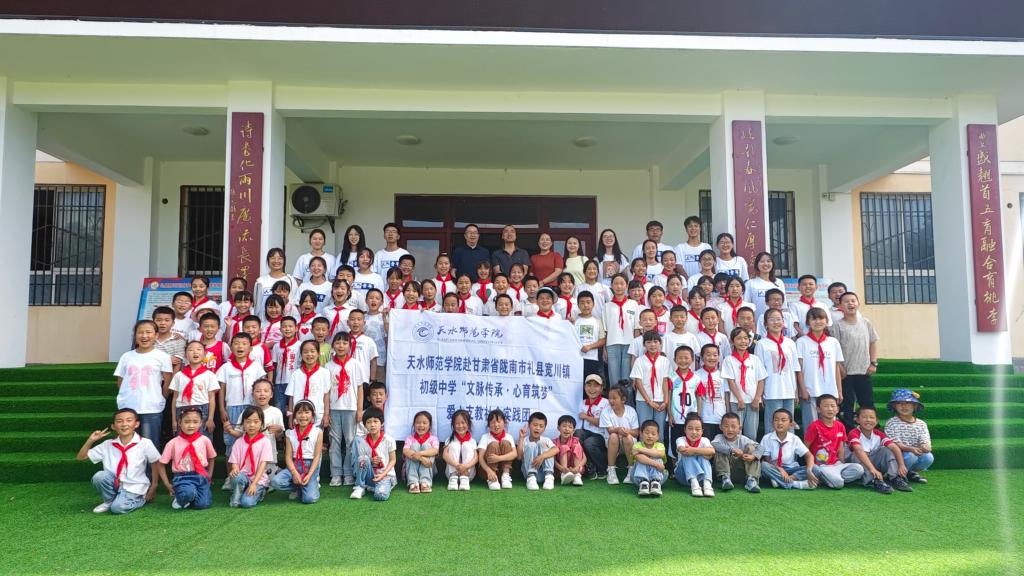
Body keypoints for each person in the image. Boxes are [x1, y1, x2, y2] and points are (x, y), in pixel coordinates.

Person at [77, 408, 162, 514]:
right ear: (113, 426)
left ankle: (141, 499)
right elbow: (81, 457)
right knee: (99, 476)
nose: (124, 424)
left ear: (136, 424)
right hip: (115, 483)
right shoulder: (107, 444)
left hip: (134, 486)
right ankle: (109, 501)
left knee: (118, 508)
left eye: (129, 420)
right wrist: (91, 440)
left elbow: (155, 463)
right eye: (119, 421)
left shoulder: (145, 443)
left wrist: (154, 486)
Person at [114, 320, 173, 448]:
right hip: (128, 406)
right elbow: (121, 381)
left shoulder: (162, 357)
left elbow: (167, 383)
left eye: (148, 332)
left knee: (150, 445)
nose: (144, 336)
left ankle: (150, 464)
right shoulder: (126, 356)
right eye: (140, 332)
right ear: (135, 335)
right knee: (129, 445)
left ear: (156, 335)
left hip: (151, 407)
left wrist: (161, 398)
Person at [830, 292, 879, 430]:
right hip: (846, 372)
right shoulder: (837, 325)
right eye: (846, 301)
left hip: (864, 370)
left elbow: (873, 342)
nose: (850, 304)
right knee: (847, 404)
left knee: (867, 402)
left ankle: (872, 431)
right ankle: (849, 432)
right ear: (840, 306)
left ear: (858, 303)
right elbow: (834, 349)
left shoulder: (866, 322)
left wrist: (873, 362)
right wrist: (840, 367)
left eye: (853, 300)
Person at [216, 333, 266, 465]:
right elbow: (222, 389)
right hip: (232, 407)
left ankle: (251, 471)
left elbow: (262, 387)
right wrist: (222, 409)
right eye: (236, 343)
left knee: (252, 439)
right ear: (231, 347)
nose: (240, 346)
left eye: (244, 344)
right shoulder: (226, 367)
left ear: (250, 348)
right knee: (231, 441)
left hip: (251, 407)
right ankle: (230, 473)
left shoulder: (256, 367)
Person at [157, 406, 216, 510]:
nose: (191, 425)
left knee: (203, 505)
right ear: (179, 422)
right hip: (182, 477)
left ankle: (190, 497)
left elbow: (212, 457)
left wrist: (209, 474)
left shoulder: (205, 440)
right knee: (188, 493)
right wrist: (167, 484)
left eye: (195, 422)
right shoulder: (172, 443)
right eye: (187, 422)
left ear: (201, 423)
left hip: (201, 475)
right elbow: (161, 464)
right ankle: (182, 497)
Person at [796, 308, 844, 432]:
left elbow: (836, 368)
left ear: (827, 321)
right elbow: (799, 369)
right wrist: (802, 389)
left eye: (821, 318)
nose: (818, 322)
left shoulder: (833, 342)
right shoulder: (801, 342)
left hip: (829, 390)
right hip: (810, 390)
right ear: (808, 322)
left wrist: (839, 390)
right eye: (814, 319)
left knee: (829, 425)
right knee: (811, 426)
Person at [327, 332, 366, 486]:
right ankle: (336, 473)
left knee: (350, 441)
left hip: (351, 408)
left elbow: (360, 388)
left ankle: (349, 472)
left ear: (350, 346)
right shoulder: (328, 366)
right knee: (334, 441)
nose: (341, 346)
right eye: (338, 343)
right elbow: (326, 392)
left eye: (344, 343)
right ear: (333, 346)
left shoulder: (355, 364)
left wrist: (360, 409)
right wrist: (327, 412)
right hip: (334, 408)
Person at [803, 394, 864, 489]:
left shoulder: (840, 426)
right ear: (818, 409)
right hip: (821, 465)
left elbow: (841, 447)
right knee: (839, 484)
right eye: (826, 406)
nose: (830, 409)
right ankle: (828, 477)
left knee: (859, 469)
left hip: (836, 464)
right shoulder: (814, 426)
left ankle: (826, 479)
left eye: (832, 406)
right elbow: (805, 448)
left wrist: (841, 464)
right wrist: (809, 465)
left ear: (837, 409)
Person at [848, 406, 913, 493]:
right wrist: (873, 469)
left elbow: (894, 447)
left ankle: (895, 478)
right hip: (860, 464)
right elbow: (858, 450)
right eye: (864, 417)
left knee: (887, 450)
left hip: (875, 463)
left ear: (876, 421)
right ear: (857, 420)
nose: (868, 420)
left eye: (872, 417)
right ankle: (874, 481)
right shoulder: (853, 433)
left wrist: (901, 465)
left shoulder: (878, 433)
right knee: (857, 454)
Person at [756, 308, 800, 434]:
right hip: (772, 391)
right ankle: (770, 447)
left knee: (788, 425)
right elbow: (760, 372)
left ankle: (789, 447)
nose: (776, 322)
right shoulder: (762, 344)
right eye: (772, 319)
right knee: (772, 425)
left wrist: (796, 390)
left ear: (783, 322)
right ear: (765, 324)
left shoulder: (790, 343)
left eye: (778, 319)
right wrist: (760, 394)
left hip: (789, 390)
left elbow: (795, 368)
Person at [271, 399, 324, 504]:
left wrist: (309, 474)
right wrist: (294, 473)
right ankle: (296, 488)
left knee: (309, 499)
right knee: (275, 482)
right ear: (295, 416)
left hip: (310, 465)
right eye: (299, 413)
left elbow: (317, 456)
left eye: (307, 412)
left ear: (312, 415)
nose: (303, 416)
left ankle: (310, 484)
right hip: (295, 464)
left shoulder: (318, 432)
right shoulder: (290, 433)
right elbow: (288, 457)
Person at [722, 327, 767, 441]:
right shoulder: (729, 360)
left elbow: (761, 380)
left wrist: (757, 399)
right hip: (736, 402)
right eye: (739, 338)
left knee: (751, 434)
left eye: (745, 338)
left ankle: (750, 452)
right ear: (732, 341)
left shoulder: (755, 359)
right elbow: (731, 381)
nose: (743, 341)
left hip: (753, 402)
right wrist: (739, 399)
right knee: (736, 433)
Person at [756, 408, 817, 490]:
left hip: (792, 470)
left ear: (790, 424)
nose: (779, 423)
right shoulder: (767, 438)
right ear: (772, 423)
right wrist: (780, 469)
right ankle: (795, 484)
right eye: (776, 420)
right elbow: (767, 460)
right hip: (775, 469)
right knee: (763, 466)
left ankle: (782, 480)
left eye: (783, 420)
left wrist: (809, 470)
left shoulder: (794, 438)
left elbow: (809, 455)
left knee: (815, 468)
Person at [227, 405, 274, 508]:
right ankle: (236, 497)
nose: (252, 425)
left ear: (261, 423)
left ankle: (260, 492)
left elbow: (262, 465)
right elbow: (235, 462)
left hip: (258, 480)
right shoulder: (239, 442)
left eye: (256, 422)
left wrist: (254, 484)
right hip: (243, 477)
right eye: (248, 422)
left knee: (247, 503)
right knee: (236, 476)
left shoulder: (265, 442)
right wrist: (235, 469)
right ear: (243, 424)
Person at [884, 389, 934, 484]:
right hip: (897, 456)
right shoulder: (891, 423)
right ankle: (895, 475)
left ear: (915, 406)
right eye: (899, 403)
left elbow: (924, 439)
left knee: (928, 457)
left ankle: (910, 473)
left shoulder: (921, 424)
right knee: (911, 456)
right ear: (894, 406)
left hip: (914, 452)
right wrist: (911, 449)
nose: (904, 406)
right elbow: (894, 443)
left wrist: (925, 446)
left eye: (908, 403)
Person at [169, 341, 219, 436]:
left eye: (199, 349)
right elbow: (174, 398)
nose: (195, 352)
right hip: (182, 409)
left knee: (202, 438)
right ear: (185, 355)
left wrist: (210, 419)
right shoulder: (179, 375)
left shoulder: (209, 375)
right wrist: (174, 420)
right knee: (182, 439)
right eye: (191, 350)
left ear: (205, 354)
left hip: (202, 408)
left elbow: (212, 398)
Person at [350, 407, 398, 501]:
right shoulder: (362, 440)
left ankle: (376, 487)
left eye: (375, 421)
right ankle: (360, 486)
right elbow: (360, 460)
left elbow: (393, 460)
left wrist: (383, 474)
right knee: (363, 458)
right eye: (368, 422)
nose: (372, 425)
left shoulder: (388, 439)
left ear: (381, 423)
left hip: (385, 475)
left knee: (380, 496)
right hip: (369, 474)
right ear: (364, 425)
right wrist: (370, 460)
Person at [630, 330, 671, 436]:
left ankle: (660, 447)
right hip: (643, 400)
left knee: (659, 429)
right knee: (644, 428)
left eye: (655, 342)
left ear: (660, 343)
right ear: (644, 344)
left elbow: (665, 381)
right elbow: (638, 382)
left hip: (660, 400)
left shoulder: (664, 361)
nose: (652, 345)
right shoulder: (639, 361)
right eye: (649, 342)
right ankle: (642, 447)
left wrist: (666, 401)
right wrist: (649, 401)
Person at [604, 274, 640, 386]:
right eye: (616, 283)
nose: (619, 286)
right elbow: (605, 330)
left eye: (622, 284)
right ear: (611, 286)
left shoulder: (633, 304)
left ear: (627, 286)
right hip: (612, 344)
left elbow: (636, 328)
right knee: (613, 377)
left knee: (626, 378)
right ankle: (614, 397)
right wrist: (604, 348)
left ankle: (627, 398)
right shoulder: (607, 306)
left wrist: (636, 347)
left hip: (629, 344)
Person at [711, 412, 761, 493]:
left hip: (743, 473)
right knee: (721, 450)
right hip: (725, 472)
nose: (730, 429)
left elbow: (761, 447)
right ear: (721, 427)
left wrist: (754, 456)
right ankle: (725, 479)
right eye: (726, 426)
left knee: (751, 448)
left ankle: (751, 480)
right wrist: (731, 450)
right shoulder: (719, 437)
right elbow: (713, 444)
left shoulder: (743, 439)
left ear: (739, 428)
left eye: (733, 426)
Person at [285, 340, 330, 428]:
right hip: (299, 416)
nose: (309, 354)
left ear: (318, 353)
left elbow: (326, 395)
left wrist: (326, 415)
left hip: (317, 416)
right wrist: (290, 415)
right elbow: (291, 396)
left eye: (312, 351)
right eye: (305, 352)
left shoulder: (324, 373)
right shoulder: (296, 374)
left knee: (316, 436)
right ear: (301, 355)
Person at [601, 383, 639, 485]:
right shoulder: (606, 412)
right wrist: (619, 430)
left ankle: (631, 470)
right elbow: (610, 430)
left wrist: (626, 431)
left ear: (623, 399)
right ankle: (611, 471)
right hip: (612, 443)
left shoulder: (631, 411)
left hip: (629, 442)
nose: (611, 401)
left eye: (614, 398)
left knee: (627, 437)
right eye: (609, 398)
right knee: (613, 436)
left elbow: (636, 432)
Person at [673, 413, 716, 497]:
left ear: (702, 431)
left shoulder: (704, 440)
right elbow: (683, 450)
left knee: (703, 456)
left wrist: (693, 450)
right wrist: (702, 451)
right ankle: (694, 485)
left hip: (701, 478)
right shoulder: (680, 439)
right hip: (683, 476)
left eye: (697, 429)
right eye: (690, 429)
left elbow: (712, 451)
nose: (694, 432)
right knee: (688, 454)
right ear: (685, 430)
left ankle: (707, 484)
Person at [576, 375, 609, 480]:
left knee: (589, 443)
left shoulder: (606, 403)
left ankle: (603, 468)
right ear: (584, 387)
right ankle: (588, 465)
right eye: (589, 385)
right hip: (586, 431)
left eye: (596, 386)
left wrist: (586, 417)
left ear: (601, 388)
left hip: (601, 434)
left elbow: (602, 423)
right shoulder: (583, 402)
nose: (592, 389)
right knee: (577, 435)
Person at [667, 344, 697, 456]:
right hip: (675, 418)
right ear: (674, 359)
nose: (683, 361)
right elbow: (669, 396)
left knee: (690, 443)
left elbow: (699, 397)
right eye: (680, 358)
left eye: (686, 358)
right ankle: (675, 465)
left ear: (692, 360)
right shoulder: (671, 377)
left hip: (690, 418)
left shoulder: (696, 378)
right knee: (674, 445)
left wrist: (698, 414)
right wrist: (670, 414)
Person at [255, 248, 300, 321]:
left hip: (286, 323)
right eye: (273, 258)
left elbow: (294, 302)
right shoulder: (260, 281)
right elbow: (257, 306)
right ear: (268, 260)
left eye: (280, 258)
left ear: (284, 261)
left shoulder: (291, 280)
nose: (276, 261)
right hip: (264, 322)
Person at [517, 412, 558, 491]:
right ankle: (531, 478)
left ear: (544, 429)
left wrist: (542, 456)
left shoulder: (546, 440)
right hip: (528, 473)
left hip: (543, 474)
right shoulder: (524, 440)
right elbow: (519, 457)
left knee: (544, 445)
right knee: (531, 445)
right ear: (529, 425)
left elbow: (556, 449)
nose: (538, 428)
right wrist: (521, 438)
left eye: (541, 426)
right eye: (535, 425)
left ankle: (549, 477)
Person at [478, 409, 517, 490]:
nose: (496, 425)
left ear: (504, 423)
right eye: (492, 422)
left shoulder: (509, 437)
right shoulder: (485, 437)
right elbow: (480, 458)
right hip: (487, 472)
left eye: (499, 421)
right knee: (494, 444)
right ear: (489, 425)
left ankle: (505, 477)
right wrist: (489, 471)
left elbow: (514, 454)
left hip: (502, 471)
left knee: (505, 443)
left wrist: (499, 458)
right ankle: (492, 480)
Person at [695, 343, 727, 439]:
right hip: (704, 418)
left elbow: (726, 397)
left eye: (715, 355)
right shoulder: (696, 375)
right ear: (702, 357)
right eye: (708, 355)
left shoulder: (723, 375)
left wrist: (727, 415)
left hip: (720, 418)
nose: (712, 358)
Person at [403, 411, 439, 494]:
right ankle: (413, 482)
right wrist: (421, 458)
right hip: (412, 467)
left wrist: (420, 454)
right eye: (418, 423)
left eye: (424, 423)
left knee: (427, 446)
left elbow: (435, 450)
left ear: (430, 425)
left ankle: (425, 482)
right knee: (414, 446)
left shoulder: (433, 438)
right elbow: (405, 451)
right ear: (414, 424)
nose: (421, 425)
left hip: (429, 466)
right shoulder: (410, 438)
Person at [744, 252, 786, 321]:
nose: (765, 264)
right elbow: (746, 306)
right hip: (757, 323)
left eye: (768, 261)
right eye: (762, 261)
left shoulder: (779, 283)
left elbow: (783, 306)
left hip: (775, 324)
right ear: (757, 264)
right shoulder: (750, 283)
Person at [574, 291, 606, 380]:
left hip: (592, 359)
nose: (585, 305)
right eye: (582, 303)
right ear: (578, 305)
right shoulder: (574, 321)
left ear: (593, 304)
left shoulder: (598, 321)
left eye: (588, 302)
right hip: (576, 358)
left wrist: (589, 347)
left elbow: (602, 340)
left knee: (591, 383)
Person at [443, 409, 478, 491]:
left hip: (468, 474)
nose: (460, 426)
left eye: (463, 423)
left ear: (468, 424)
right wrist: (457, 465)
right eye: (457, 423)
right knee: (454, 445)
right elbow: (444, 455)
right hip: (451, 474)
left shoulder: (472, 441)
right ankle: (453, 479)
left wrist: (465, 467)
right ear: (453, 425)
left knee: (466, 445)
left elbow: (476, 458)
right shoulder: (449, 440)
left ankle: (465, 479)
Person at [631, 419, 667, 497]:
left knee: (656, 456)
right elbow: (639, 457)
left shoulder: (660, 445)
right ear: (641, 434)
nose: (650, 436)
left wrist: (641, 450)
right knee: (641, 459)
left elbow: (660, 454)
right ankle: (643, 483)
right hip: (638, 477)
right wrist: (657, 464)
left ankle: (655, 483)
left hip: (659, 477)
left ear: (658, 436)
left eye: (653, 434)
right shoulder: (637, 445)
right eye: (647, 433)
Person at [554, 415, 587, 486]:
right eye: (564, 426)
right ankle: (564, 475)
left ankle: (577, 476)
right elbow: (553, 460)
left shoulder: (576, 441)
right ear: (558, 428)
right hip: (561, 470)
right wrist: (561, 468)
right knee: (564, 447)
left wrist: (578, 467)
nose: (567, 429)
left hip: (575, 469)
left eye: (570, 427)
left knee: (577, 446)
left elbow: (584, 458)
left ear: (573, 430)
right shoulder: (554, 442)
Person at [152, 306, 186, 373]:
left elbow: (177, 363)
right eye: (159, 320)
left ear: (173, 323)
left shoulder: (178, 341)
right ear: (153, 322)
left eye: (167, 320)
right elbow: (144, 356)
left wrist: (172, 380)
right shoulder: (148, 339)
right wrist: (167, 359)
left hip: (168, 377)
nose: (163, 323)